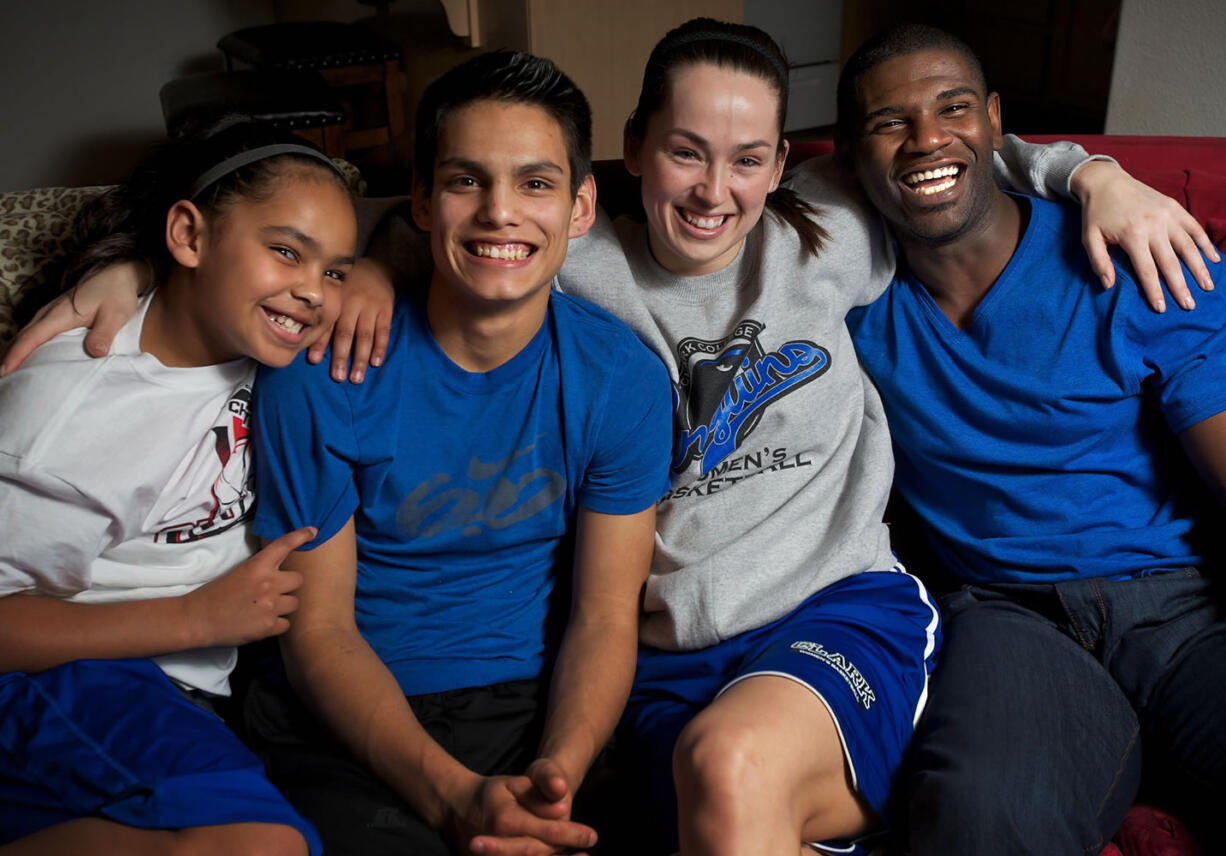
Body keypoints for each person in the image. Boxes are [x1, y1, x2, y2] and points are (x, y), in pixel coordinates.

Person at [6, 19, 1218, 856]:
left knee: (729, 773)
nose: (713, 189)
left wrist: (1091, 173)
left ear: (787, 162)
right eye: (684, 152)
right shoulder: (539, 273)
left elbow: (947, 155)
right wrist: (142, 266)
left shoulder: (830, 227)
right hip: (645, 660)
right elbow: (374, 222)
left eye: (748, 158)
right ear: (625, 163)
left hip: (824, 613)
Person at [238, 50, 671, 856]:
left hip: (538, 709)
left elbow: (606, 615)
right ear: (423, 202)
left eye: (536, 184)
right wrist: (451, 798)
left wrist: (557, 776)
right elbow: (320, 633)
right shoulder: (321, 376)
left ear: (580, 207)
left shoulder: (622, 383)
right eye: (467, 180)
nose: (500, 212)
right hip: (355, 720)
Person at [837, 23, 1226, 855]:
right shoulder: (840, 298)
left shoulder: (1136, 250)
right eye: (888, 123)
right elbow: (730, 193)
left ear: (994, 123)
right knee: (980, 814)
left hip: (1183, 608)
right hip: (1011, 618)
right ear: (850, 153)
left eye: (953, 109)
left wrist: (1097, 174)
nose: (928, 139)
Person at [0, 121, 359, 855]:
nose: (313, 292)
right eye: (286, 251)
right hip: (71, 682)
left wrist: (368, 277)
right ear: (189, 237)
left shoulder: (250, 337)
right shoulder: (73, 404)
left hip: (170, 692)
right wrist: (194, 620)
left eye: (334, 272)